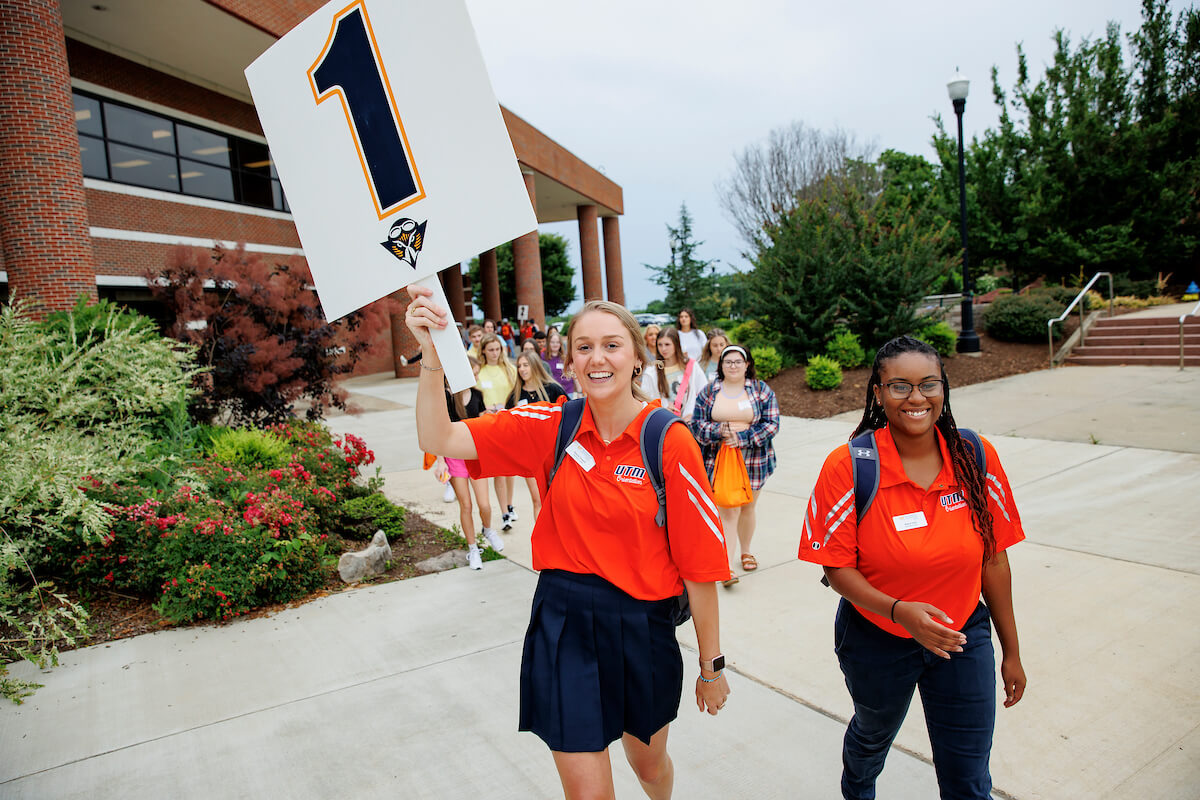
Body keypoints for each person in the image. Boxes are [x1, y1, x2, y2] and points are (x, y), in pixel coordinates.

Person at [405, 287, 731, 799]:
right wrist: (431, 355)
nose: (597, 358)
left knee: (649, 767)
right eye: (583, 347)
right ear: (569, 359)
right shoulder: (553, 425)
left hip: (640, 627)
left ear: (637, 357)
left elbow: (700, 565)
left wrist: (711, 666)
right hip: (563, 624)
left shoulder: (667, 440)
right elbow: (439, 439)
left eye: (612, 345)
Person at [799, 335, 1026, 799]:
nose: (916, 398)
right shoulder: (850, 466)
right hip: (877, 641)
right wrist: (900, 611)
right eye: (899, 385)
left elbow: (995, 559)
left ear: (944, 388)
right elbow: (836, 569)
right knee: (873, 735)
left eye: (929, 384)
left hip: (962, 635)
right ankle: (857, 788)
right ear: (878, 392)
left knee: (968, 774)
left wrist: (1012, 651)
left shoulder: (974, 457)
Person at [690, 346, 779, 586]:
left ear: (747, 364)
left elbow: (772, 424)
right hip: (718, 459)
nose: (733, 366)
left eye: (738, 361)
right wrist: (720, 431)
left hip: (754, 460)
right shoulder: (709, 392)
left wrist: (743, 437)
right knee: (728, 510)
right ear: (721, 365)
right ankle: (726, 567)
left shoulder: (761, 391)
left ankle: (745, 551)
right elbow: (696, 425)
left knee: (748, 507)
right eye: (728, 362)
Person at [437, 356, 504, 569]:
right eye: (473, 373)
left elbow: (484, 422)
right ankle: (473, 548)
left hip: (476, 454)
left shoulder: (477, 395)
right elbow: (439, 432)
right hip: (455, 456)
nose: (476, 377)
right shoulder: (447, 397)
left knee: (484, 504)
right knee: (465, 505)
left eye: (477, 373)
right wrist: (441, 461)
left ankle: (487, 529)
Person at [505, 352, 567, 519]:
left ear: (535, 366)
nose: (522, 369)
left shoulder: (552, 389)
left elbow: (569, 415)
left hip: (553, 452)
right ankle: (541, 541)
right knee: (538, 498)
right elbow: (509, 424)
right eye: (519, 366)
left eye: (526, 365)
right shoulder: (515, 395)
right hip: (530, 455)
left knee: (557, 498)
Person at [477, 333, 520, 530]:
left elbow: (516, 394)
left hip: (508, 422)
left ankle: (510, 504)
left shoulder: (509, 369)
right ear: (484, 351)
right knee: (499, 472)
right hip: (489, 424)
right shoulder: (480, 372)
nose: (495, 353)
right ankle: (504, 513)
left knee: (510, 470)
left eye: (498, 349)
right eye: (491, 349)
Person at [641, 327, 708, 422]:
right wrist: (662, 411)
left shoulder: (692, 366)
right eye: (660, 345)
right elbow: (646, 402)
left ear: (676, 344)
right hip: (665, 423)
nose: (663, 349)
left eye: (667, 344)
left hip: (691, 422)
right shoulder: (651, 372)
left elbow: (704, 393)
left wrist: (693, 413)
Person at [544, 327, 576, 395]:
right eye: (552, 342)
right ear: (548, 343)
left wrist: (579, 392)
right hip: (552, 392)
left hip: (568, 390)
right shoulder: (543, 357)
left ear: (560, 344)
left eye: (557, 342)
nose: (555, 344)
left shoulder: (566, 357)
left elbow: (573, 374)